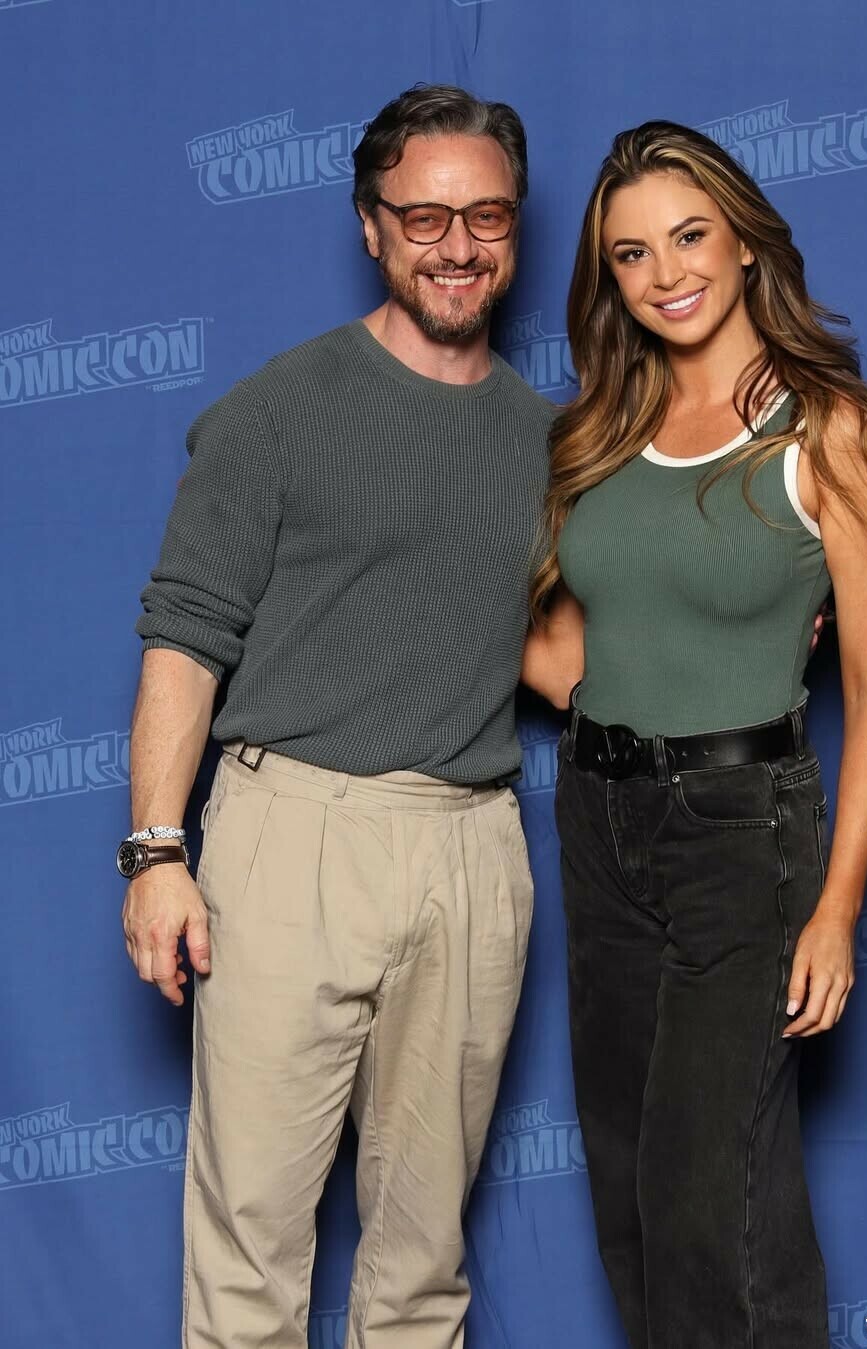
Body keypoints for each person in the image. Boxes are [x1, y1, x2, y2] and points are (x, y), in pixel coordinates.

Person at [523, 121, 867, 1349]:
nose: (664, 273)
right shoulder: (601, 430)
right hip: (599, 820)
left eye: (688, 237)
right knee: (631, 1187)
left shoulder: (826, 430)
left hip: (739, 833)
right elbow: (566, 658)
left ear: (745, 244)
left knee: (702, 1193)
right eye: (630, 254)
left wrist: (836, 908)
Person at [120, 85, 553, 1349]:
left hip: (471, 847)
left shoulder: (552, 441)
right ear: (371, 226)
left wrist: (762, 627)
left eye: (486, 216)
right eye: (424, 217)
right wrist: (155, 852)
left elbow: (573, 658)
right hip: (289, 836)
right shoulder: (279, 408)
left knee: (422, 1263)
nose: (457, 245)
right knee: (252, 1252)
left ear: (516, 227)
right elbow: (185, 635)